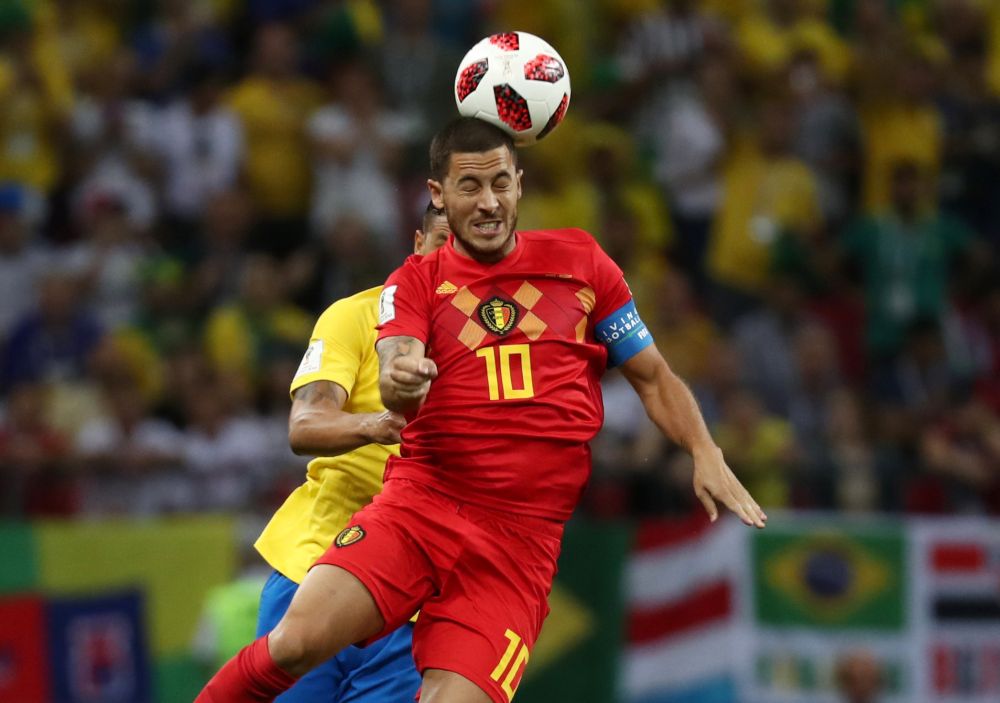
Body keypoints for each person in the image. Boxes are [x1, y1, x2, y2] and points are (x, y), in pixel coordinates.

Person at [196, 117, 766, 703]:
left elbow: (652, 375)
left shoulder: (582, 264)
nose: (489, 202)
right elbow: (397, 361)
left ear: (521, 184)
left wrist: (705, 450)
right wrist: (403, 382)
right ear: (438, 196)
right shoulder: (413, 283)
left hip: (519, 545)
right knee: (293, 645)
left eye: (501, 183)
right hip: (422, 507)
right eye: (470, 188)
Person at [252, 203, 451, 702]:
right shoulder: (353, 317)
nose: (453, 261)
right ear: (417, 244)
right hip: (312, 569)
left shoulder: (495, 348)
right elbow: (305, 424)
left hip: (409, 601)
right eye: (443, 243)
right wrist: (380, 425)